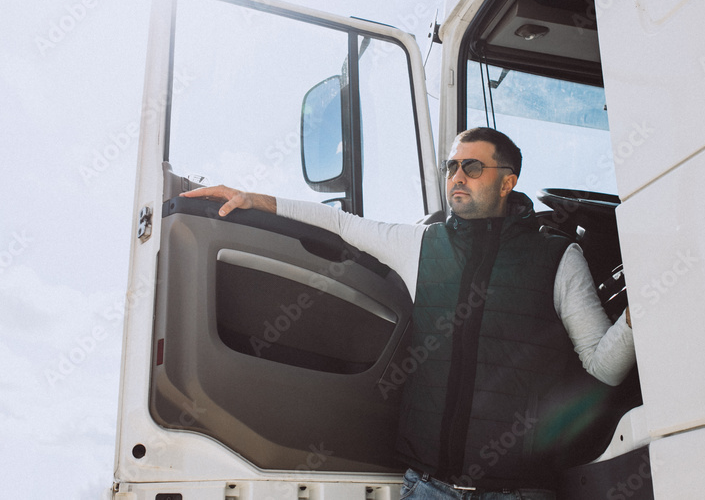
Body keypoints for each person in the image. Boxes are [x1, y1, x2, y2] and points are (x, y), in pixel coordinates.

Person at [182, 127, 635, 499]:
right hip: (428, 486)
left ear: (507, 181)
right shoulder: (422, 244)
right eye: (451, 166)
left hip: (518, 491)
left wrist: (639, 317)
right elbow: (341, 223)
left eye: (472, 167)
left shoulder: (557, 257)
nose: (457, 176)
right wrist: (252, 199)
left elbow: (602, 365)